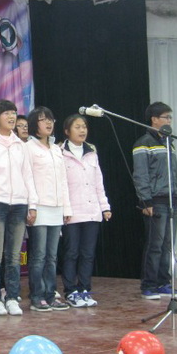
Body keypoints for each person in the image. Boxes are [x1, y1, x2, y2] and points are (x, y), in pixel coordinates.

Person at [0, 99, 37, 316]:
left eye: (13, 113)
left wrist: (32, 205)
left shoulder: (21, 145)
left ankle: (12, 297)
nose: (11, 117)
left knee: (13, 255)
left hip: (19, 203)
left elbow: (28, 175)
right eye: (6, 113)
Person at [133, 102, 177, 300]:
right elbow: (141, 175)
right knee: (155, 245)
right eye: (165, 117)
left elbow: (173, 174)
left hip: (170, 201)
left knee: (167, 245)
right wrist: (145, 201)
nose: (169, 121)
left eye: (170, 117)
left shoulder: (169, 143)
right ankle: (149, 284)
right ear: (154, 119)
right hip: (155, 201)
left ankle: (164, 283)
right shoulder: (143, 143)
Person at [60, 114, 111, 308]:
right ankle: (70, 291)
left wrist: (105, 207)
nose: (82, 130)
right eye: (77, 127)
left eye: (84, 127)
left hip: (91, 211)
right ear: (67, 131)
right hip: (71, 212)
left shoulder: (92, 153)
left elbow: (99, 183)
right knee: (71, 253)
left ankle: (84, 290)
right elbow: (61, 185)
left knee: (88, 254)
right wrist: (64, 208)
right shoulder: (60, 153)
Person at [25, 106, 71, 312]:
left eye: (51, 119)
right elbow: (28, 178)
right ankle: (37, 296)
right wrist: (32, 206)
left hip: (56, 208)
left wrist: (66, 208)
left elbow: (63, 181)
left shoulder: (56, 149)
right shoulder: (28, 147)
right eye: (43, 120)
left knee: (52, 256)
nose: (49, 123)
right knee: (39, 255)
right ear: (34, 124)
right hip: (39, 207)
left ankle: (51, 295)